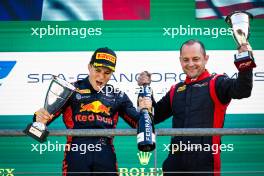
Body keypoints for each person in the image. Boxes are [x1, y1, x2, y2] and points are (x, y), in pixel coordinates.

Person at [138, 39, 254, 175]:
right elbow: (155, 116)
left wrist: (245, 60)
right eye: (186, 60)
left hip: (204, 165)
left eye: (196, 59)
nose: (191, 64)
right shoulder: (176, 89)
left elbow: (243, 90)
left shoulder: (217, 82)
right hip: (174, 165)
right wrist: (146, 90)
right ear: (180, 60)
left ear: (206, 58)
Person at [34, 47, 141, 176]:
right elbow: (39, 127)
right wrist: (39, 118)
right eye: (98, 70)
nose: (101, 76)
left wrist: (146, 110)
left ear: (112, 73)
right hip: (76, 153)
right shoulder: (71, 90)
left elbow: (139, 123)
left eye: (107, 73)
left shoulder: (118, 95)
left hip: (105, 154)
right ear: (89, 67)